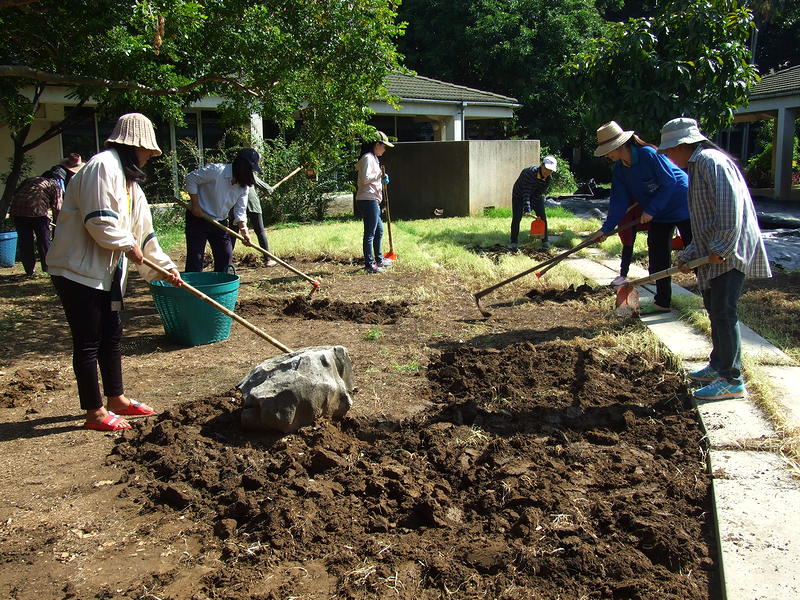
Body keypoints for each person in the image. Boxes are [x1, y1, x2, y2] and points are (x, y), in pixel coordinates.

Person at [46, 113, 182, 431]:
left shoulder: (130, 183)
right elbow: (99, 221)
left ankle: (116, 398)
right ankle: (94, 413)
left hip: (105, 273)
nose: (150, 157)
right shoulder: (102, 166)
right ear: (134, 145)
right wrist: (127, 245)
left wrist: (165, 268)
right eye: (148, 150)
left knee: (112, 335)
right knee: (88, 341)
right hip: (77, 270)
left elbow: (144, 234)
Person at [659, 117, 771, 401]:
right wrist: (688, 254)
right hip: (715, 250)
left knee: (724, 311)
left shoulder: (710, 162)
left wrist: (721, 247)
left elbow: (729, 208)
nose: (669, 156)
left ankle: (731, 379)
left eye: (669, 150)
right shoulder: (697, 165)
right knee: (713, 307)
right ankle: (718, 365)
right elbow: (704, 222)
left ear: (682, 145)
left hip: (729, 251)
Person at [591, 121, 693, 313]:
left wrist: (651, 210)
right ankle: (662, 302)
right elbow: (618, 202)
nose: (606, 155)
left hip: (681, 203)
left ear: (620, 145)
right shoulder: (620, 170)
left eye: (608, 150)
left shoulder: (648, 154)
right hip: (660, 212)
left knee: (695, 252)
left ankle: (711, 297)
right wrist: (605, 229)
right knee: (658, 256)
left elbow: (670, 182)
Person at [184, 148, 258, 272]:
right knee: (196, 258)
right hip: (198, 218)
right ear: (242, 166)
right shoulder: (216, 171)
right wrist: (196, 205)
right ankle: (192, 284)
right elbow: (191, 178)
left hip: (220, 221)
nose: (251, 173)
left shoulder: (244, 186)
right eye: (250, 169)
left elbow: (240, 210)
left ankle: (222, 283)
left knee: (225, 255)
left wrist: (244, 231)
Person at [10, 169, 64, 276]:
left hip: (17, 211)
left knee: (25, 241)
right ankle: (47, 268)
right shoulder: (54, 184)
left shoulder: (29, 180)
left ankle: (29, 270)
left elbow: (16, 194)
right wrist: (59, 224)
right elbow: (58, 207)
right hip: (37, 210)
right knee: (43, 240)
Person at [355, 131, 394, 273]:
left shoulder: (373, 158)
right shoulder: (367, 158)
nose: (385, 149)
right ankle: (370, 264)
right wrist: (380, 175)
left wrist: (381, 177)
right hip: (368, 199)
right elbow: (365, 179)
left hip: (372, 200)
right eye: (384, 146)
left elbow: (371, 177)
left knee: (379, 231)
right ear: (377, 144)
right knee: (370, 233)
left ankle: (379, 259)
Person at [509, 155, 558, 250]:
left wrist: (530, 208)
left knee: (542, 217)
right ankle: (514, 242)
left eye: (550, 170)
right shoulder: (529, 173)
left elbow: (537, 194)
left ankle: (545, 241)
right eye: (546, 168)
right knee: (517, 217)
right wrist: (526, 208)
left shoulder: (548, 179)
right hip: (519, 195)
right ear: (542, 165)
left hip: (535, 195)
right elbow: (526, 192)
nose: (548, 172)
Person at [230, 173, 277, 266]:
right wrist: (269, 190)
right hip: (252, 205)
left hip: (235, 206)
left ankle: (226, 262)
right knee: (260, 231)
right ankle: (268, 260)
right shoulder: (248, 172)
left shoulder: (230, 174)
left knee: (232, 233)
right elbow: (267, 188)